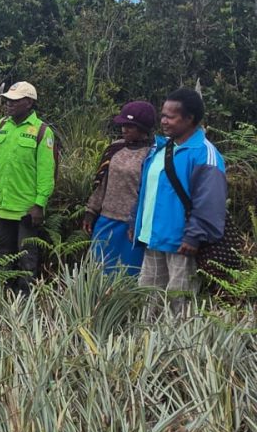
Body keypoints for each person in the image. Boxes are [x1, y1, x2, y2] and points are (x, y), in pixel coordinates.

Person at [131, 88, 226, 311]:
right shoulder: (161, 147)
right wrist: (134, 221)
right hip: (153, 239)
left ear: (189, 118)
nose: (163, 121)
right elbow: (146, 188)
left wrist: (193, 237)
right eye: (162, 115)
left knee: (178, 306)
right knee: (148, 301)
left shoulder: (205, 154)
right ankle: (145, 345)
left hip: (182, 245)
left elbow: (210, 202)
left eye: (170, 116)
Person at [0, 81, 56, 294]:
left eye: (15, 101)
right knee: (1, 253)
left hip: (26, 209)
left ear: (29, 102)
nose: (9, 105)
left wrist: (39, 204)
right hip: (1, 205)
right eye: (7, 100)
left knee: (26, 257)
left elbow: (46, 173)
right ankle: (2, 295)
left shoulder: (42, 132)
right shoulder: (1, 126)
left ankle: (24, 301)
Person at [82, 101, 156, 275]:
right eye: (123, 125)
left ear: (143, 128)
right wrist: (91, 210)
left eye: (130, 126)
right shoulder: (115, 148)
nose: (124, 129)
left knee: (128, 274)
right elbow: (102, 182)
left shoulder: (153, 154)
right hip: (106, 220)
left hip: (133, 226)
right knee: (98, 271)